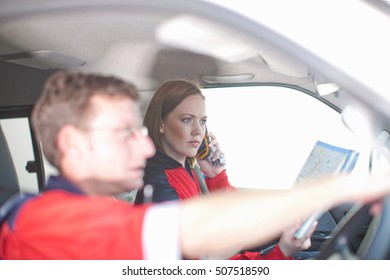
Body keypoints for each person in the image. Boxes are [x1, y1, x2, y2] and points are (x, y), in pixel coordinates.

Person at [1, 70, 390, 260]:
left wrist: (283, 248)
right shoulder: (46, 223)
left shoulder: (90, 212)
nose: (143, 144)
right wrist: (338, 188)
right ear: (73, 143)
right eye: (124, 132)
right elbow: (193, 229)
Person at [134, 80, 314, 260]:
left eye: (203, 121)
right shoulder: (161, 186)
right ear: (161, 125)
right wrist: (280, 248)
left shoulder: (183, 167)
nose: (198, 131)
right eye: (187, 119)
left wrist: (215, 174)